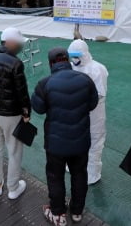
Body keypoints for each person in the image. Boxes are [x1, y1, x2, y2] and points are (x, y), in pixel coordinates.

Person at [32, 48, 98, 226]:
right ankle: (77, 211)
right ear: (67, 60)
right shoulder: (85, 80)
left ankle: (57, 213)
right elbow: (93, 104)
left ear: (51, 63)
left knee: (55, 176)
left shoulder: (44, 83)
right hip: (81, 141)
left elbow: (38, 108)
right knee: (79, 175)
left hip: (55, 143)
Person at [0, 27, 32, 199]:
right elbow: (22, 92)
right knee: (14, 151)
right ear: (10, 43)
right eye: (19, 43)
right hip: (11, 114)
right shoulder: (15, 63)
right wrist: (26, 113)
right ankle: (13, 187)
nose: (21, 46)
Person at [67, 39, 109, 185]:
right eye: (72, 56)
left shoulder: (98, 69)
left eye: (77, 55)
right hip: (75, 113)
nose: (75, 59)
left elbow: (99, 94)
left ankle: (92, 173)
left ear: (85, 54)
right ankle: (73, 164)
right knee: (74, 138)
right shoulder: (70, 67)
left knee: (94, 142)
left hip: (94, 114)